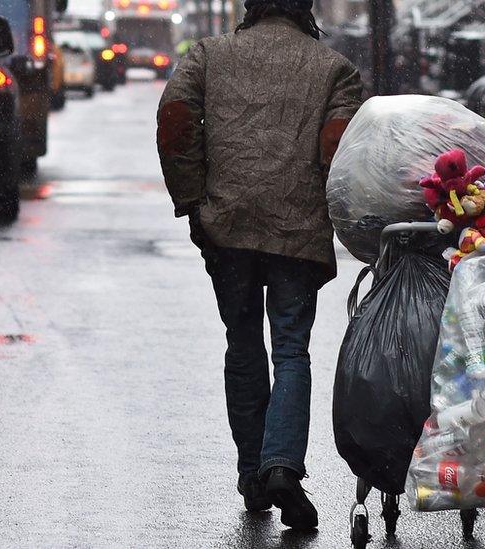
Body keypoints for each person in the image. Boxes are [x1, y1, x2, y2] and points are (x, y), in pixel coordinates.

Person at [156, 0, 362, 531]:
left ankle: (252, 473)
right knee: (291, 348)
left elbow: (175, 121)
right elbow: (338, 150)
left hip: (226, 227)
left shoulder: (208, 55)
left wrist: (194, 200)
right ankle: (281, 467)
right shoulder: (332, 68)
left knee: (242, 339)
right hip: (297, 228)